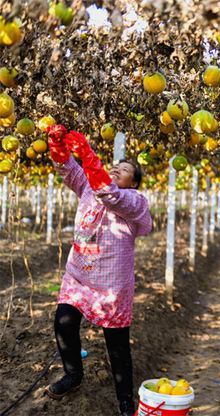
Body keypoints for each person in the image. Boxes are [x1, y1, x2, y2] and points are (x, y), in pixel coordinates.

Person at [44, 125, 152, 416]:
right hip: (79, 275)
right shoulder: (89, 186)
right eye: (115, 165)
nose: (118, 169)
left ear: (135, 182)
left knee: (117, 347)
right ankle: (73, 374)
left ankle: (125, 401)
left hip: (111, 287)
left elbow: (111, 195)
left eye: (125, 169)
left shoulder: (135, 202)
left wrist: (89, 154)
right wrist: (59, 146)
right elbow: (68, 170)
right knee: (64, 322)